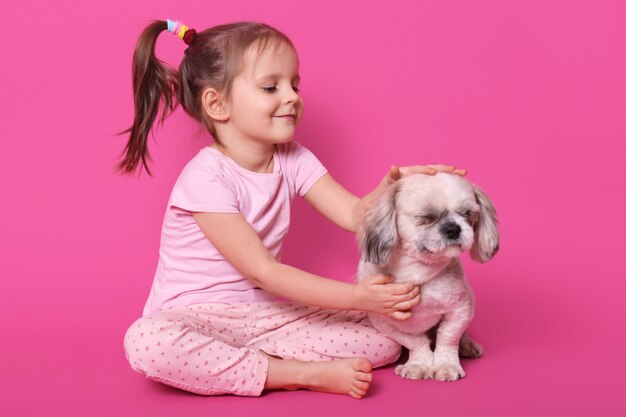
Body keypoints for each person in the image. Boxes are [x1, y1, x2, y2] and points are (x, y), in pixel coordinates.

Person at [120, 19, 466, 399]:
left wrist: (396, 187)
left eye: (294, 84)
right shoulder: (205, 178)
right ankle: (295, 372)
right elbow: (265, 273)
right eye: (271, 87)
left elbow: (355, 216)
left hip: (268, 318)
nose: (291, 96)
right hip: (199, 318)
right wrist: (358, 297)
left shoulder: (293, 158)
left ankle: (245, 360)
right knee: (148, 343)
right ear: (217, 104)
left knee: (382, 339)